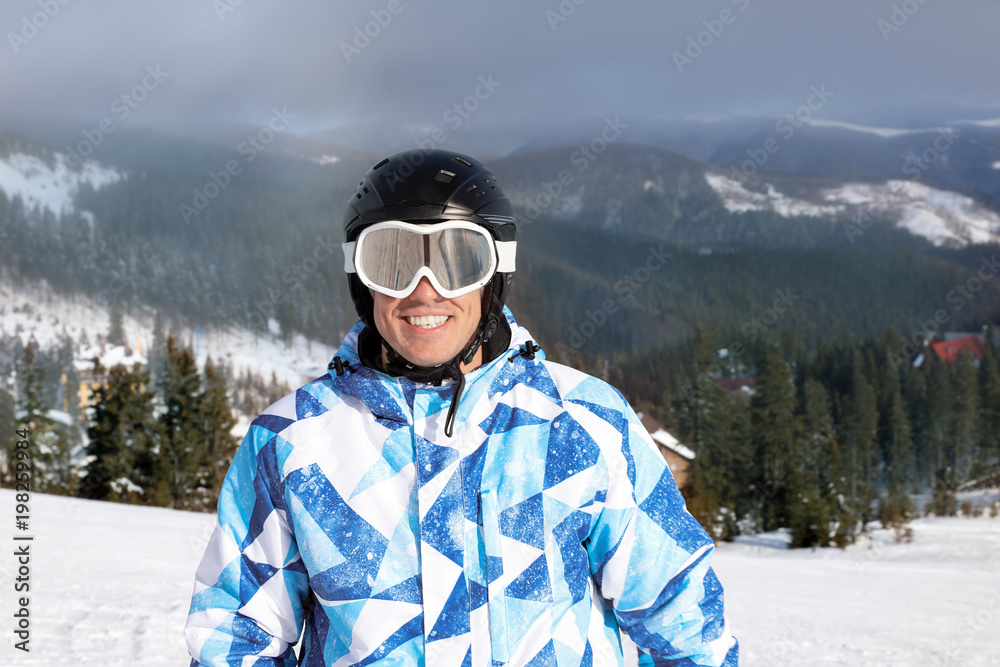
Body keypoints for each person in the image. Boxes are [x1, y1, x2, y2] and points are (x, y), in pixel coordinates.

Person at [185, 149, 739, 666]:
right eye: (393, 261)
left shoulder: (582, 422)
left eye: (458, 260)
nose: (425, 291)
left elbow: (680, 614)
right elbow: (237, 634)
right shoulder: (292, 441)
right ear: (362, 279)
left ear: (494, 274)